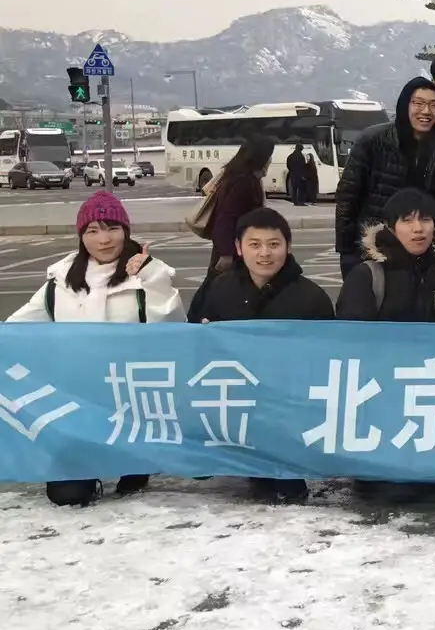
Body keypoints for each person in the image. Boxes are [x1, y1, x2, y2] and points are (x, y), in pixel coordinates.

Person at [8, 190, 185, 507]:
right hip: (77, 405)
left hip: (130, 402)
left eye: (112, 228)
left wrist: (153, 279)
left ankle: (135, 461)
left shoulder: (146, 274)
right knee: (67, 495)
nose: (104, 239)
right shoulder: (60, 282)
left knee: (131, 476)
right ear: (81, 236)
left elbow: (174, 330)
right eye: (93, 230)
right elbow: (15, 328)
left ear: (125, 231)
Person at [197, 207, 332, 503]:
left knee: (287, 489)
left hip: (290, 404)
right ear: (239, 247)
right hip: (236, 399)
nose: (265, 253)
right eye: (254, 244)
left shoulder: (311, 298)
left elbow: (328, 357)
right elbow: (195, 337)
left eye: (273, 244)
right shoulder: (219, 288)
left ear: (288, 246)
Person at [334, 76, 435, 278]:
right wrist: (346, 251)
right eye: (418, 103)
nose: (426, 111)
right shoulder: (373, 140)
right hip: (375, 247)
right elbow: (347, 197)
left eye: (434, 105)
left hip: (422, 250)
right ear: (404, 105)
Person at [336, 188, 435, 322]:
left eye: (425, 219)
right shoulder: (368, 275)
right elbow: (351, 330)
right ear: (390, 227)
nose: (418, 228)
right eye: (407, 220)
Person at [188, 133, 272, 321]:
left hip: (238, 247)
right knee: (221, 290)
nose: (270, 161)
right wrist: (226, 254)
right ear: (260, 158)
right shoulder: (242, 182)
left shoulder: (242, 177)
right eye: (268, 157)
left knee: (223, 289)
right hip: (233, 250)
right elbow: (226, 218)